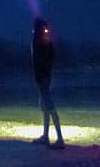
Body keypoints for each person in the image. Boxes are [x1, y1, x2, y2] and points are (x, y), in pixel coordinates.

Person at [31, 16, 64, 148]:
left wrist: (41, 76)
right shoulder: (44, 41)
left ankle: (60, 139)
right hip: (44, 77)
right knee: (45, 107)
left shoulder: (39, 41)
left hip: (43, 77)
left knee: (49, 106)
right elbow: (50, 57)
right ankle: (45, 135)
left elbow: (41, 60)